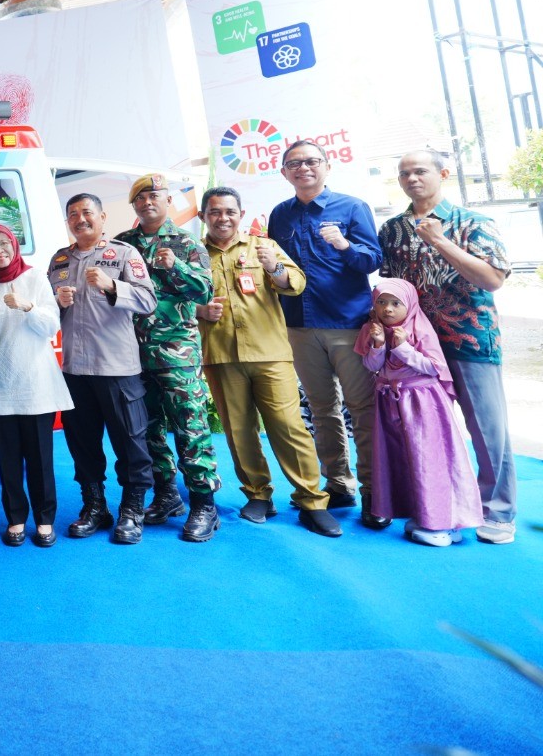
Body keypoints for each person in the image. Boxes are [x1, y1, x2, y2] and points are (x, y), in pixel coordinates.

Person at [378, 149, 516, 545]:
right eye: (404, 173)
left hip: (467, 339)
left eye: (420, 171)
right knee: (425, 432)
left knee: (487, 429)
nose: (412, 178)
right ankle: (437, 508)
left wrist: (440, 242)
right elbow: (393, 288)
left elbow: (492, 279)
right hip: (415, 347)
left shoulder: (473, 222)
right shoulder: (392, 229)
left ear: (443, 174)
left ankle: (498, 511)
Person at [196, 188, 340, 536]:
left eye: (230, 211)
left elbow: (296, 283)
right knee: (238, 430)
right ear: (203, 217)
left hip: (269, 353)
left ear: (240, 214)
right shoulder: (195, 255)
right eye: (215, 212)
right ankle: (258, 494)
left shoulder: (263, 246)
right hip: (222, 355)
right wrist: (200, 310)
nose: (223, 218)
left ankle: (311, 500)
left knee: (289, 427)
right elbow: (177, 298)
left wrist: (273, 267)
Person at [268, 140, 386, 528]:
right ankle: (339, 483)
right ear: (284, 172)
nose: (303, 168)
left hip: (348, 324)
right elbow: (276, 268)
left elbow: (373, 260)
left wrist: (345, 244)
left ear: (327, 166)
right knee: (321, 410)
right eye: (294, 164)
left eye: (312, 161)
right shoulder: (280, 214)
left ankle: (374, 491)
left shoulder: (352, 207)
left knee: (362, 409)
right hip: (299, 326)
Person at [115, 175, 222, 541]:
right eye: (140, 198)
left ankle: (204, 504)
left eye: (154, 196)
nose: (148, 202)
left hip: (177, 354)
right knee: (148, 430)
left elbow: (204, 291)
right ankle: (166, 494)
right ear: (134, 205)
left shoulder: (186, 242)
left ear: (167, 201)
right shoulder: (122, 244)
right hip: (132, 354)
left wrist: (176, 266)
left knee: (190, 428)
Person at [48, 194, 158, 545]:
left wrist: (113, 286)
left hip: (117, 368)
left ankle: (132, 509)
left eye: (87, 213)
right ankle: (95, 507)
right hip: (76, 369)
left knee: (130, 443)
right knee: (82, 443)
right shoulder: (59, 259)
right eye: (73, 214)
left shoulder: (124, 254)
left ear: (102, 217)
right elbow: (45, 316)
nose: (80, 219)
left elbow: (148, 300)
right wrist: (56, 303)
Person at [354, 279, 482, 546]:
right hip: (390, 402)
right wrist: (378, 344)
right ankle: (422, 515)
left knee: (429, 460)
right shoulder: (373, 328)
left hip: (422, 402)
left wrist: (403, 347)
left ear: (410, 304)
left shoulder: (419, 327)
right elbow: (373, 366)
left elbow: (434, 367)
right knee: (403, 459)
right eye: (381, 302)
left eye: (395, 303)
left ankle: (441, 523)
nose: (388, 309)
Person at [0, 224, 70, 548]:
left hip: (36, 383)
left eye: (3, 243)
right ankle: (15, 518)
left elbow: (51, 326)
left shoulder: (35, 278)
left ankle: (44, 519)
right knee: (8, 458)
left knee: (40, 458)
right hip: (1, 382)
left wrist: (28, 307)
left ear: (14, 245)